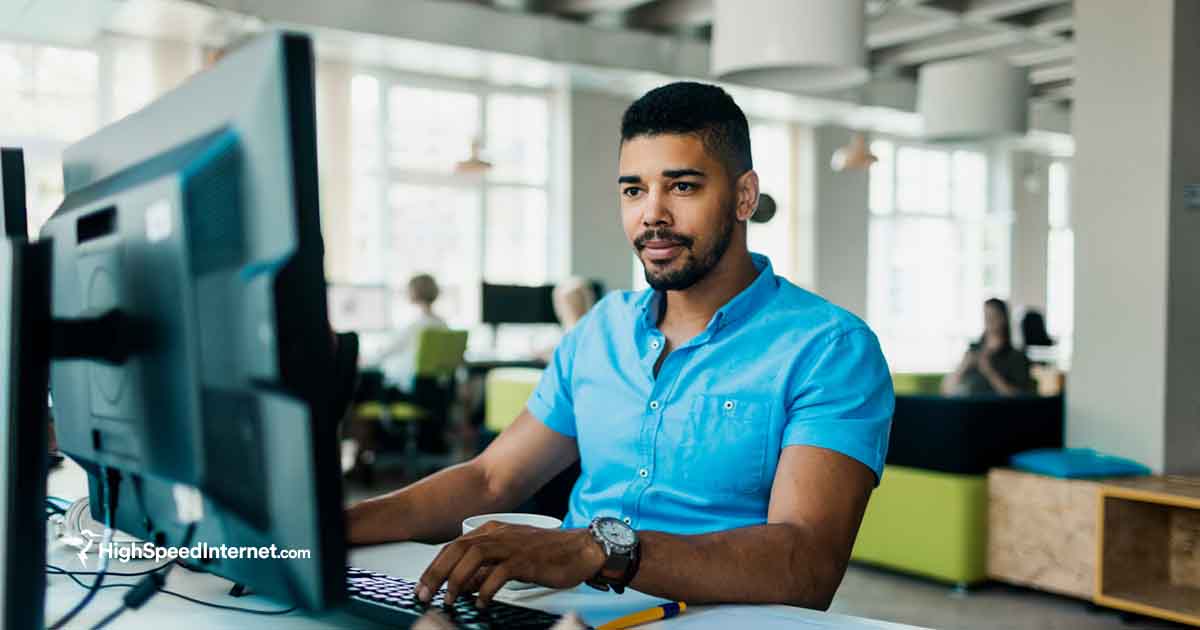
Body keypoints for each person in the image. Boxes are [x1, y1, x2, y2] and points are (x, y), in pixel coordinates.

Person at [346, 82, 893, 612]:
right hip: (560, 610)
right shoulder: (599, 330)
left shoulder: (829, 348)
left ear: (743, 196)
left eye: (682, 186)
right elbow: (493, 478)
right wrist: (328, 528)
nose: (651, 213)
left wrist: (596, 550)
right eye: (634, 189)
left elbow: (808, 564)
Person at [942, 298, 1035, 397]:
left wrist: (989, 372)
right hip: (970, 409)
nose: (989, 320)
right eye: (986, 316)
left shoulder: (1016, 357)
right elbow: (946, 390)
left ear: (1003, 318)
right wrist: (963, 367)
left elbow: (1018, 397)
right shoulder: (973, 352)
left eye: (993, 316)